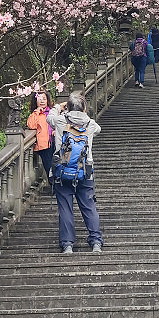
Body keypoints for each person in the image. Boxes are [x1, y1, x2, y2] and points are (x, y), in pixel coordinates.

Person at [47, 92, 104, 253]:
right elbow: (98, 130)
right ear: (84, 107)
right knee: (89, 206)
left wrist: (59, 107)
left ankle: (67, 244)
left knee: (65, 207)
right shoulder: (90, 124)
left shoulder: (60, 120)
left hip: (62, 171)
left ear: (69, 106)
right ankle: (96, 242)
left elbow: (49, 118)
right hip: (85, 171)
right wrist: (84, 114)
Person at [27, 91, 55, 181]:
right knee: (48, 166)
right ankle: (53, 186)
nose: (42, 101)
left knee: (57, 165)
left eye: (44, 98)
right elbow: (31, 125)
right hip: (44, 145)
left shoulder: (52, 112)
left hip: (55, 142)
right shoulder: (35, 114)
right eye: (40, 99)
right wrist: (37, 112)